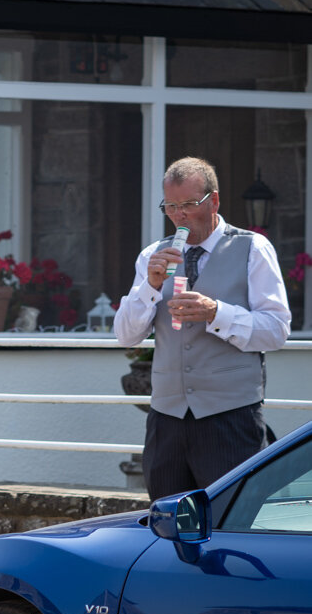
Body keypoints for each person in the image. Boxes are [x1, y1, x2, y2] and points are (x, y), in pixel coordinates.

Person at [115, 156, 291, 499]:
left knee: (231, 523)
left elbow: (276, 330)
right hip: (166, 420)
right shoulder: (153, 254)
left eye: (189, 205)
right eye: (171, 206)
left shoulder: (252, 248)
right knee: (167, 523)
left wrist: (217, 313)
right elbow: (126, 335)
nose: (179, 215)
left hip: (230, 419)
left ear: (214, 201)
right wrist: (150, 287)